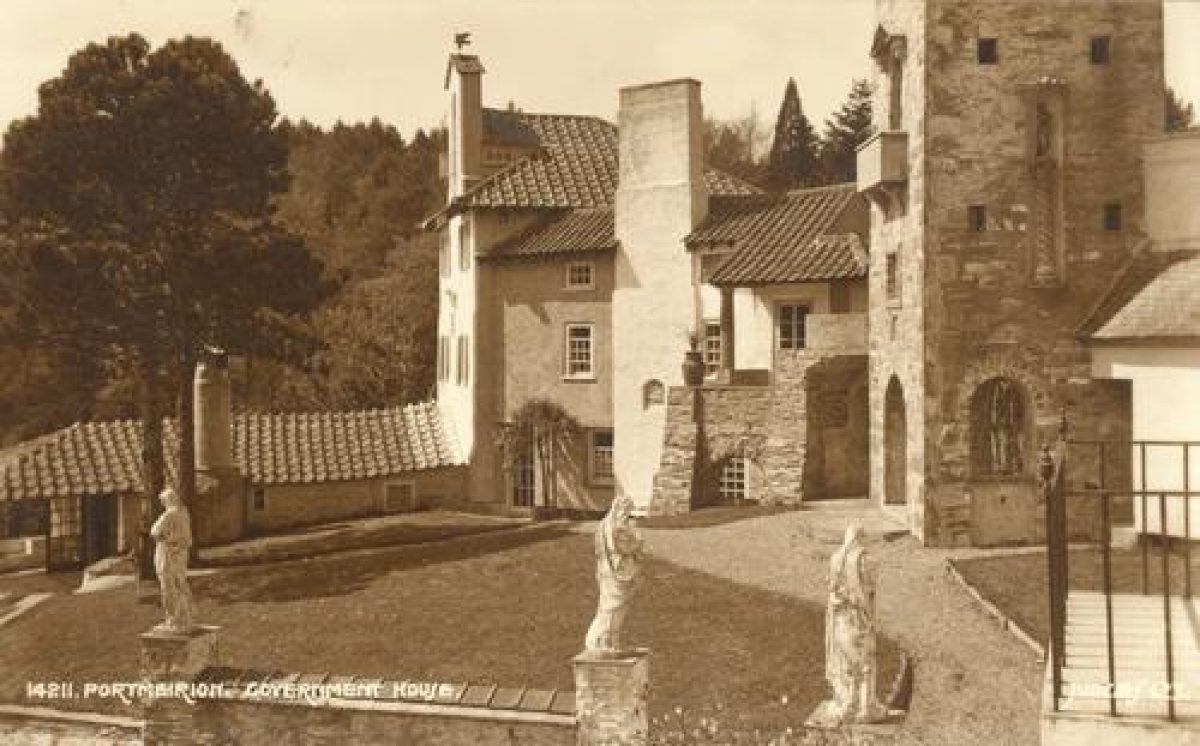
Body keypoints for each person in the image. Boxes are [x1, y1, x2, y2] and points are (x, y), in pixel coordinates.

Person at [823, 522, 887, 724]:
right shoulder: (867, 561)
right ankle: (866, 708)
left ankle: (849, 704)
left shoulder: (835, 559)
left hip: (841, 619)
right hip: (859, 618)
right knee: (867, 662)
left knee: (848, 662)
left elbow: (832, 590)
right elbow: (869, 592)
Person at [584, 496, 642, 653]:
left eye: (629, 511)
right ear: (619, 509)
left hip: (618, 572)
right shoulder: (610, 527)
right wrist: (636, 540)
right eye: (627, 510)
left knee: (619, 607)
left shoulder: (614, 526)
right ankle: (601, 642)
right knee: (610, 606)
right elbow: (623, 548)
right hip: (613, 574)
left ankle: (613, 642)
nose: (628, 514)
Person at [149, 487, 194, 633]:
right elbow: (188, 539)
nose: (163, 504)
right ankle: (185, 617)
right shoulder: (184, 514)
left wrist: (167, 539)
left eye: (163, 501)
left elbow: (154, 531)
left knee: (168, 587)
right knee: (180, 584)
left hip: (168, 553)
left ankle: (173, 619)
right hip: (181, 554)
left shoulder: (169, 515)